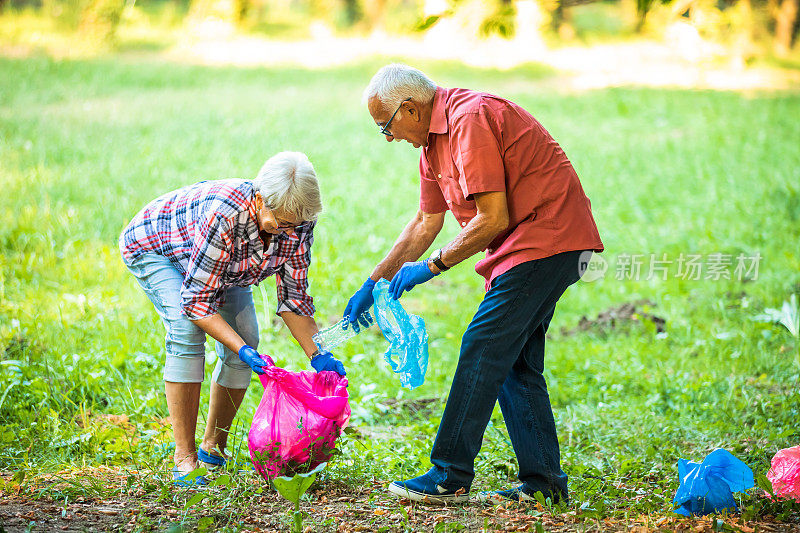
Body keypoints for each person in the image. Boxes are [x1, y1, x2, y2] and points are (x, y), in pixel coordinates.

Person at [343, 64, 604, 504]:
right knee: (513, 362)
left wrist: (432, 267)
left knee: (484, 344)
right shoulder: (430, 147)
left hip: (549, 239)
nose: (388, 138)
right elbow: (426, 222)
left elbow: (493, 218)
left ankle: (449, 475)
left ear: (409, 109)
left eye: (386, 126)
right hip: (523, 249)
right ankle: (544, 484)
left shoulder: (470, 119)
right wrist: (375, 281)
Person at [119, 151, 346, 486]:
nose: (286, 231)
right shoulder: (226, 214)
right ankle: (184, 457)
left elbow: (293, 299)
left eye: (294, 225)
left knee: (248, 337)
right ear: (258, 199)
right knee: (186, 330)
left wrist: (319, 354)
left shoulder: (298, 223)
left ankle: (214, 448)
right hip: (157, 247)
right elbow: (196, 302)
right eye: (279, 222)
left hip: (222, 268)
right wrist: (239, 349)